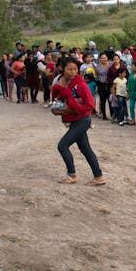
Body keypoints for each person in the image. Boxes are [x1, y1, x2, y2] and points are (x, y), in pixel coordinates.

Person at [51, 58, 105, 186]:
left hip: (83, 120)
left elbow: (90, 105)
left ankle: (72, 175)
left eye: (75, 69)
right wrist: (57, 110)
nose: (73, 72)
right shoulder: (59, 83)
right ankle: (99, 177)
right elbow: (55, 101)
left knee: (62, 146)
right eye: (69, 69)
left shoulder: (80, 84)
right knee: (86, 149)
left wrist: (73, 110)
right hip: (75, 120)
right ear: (62, 69)